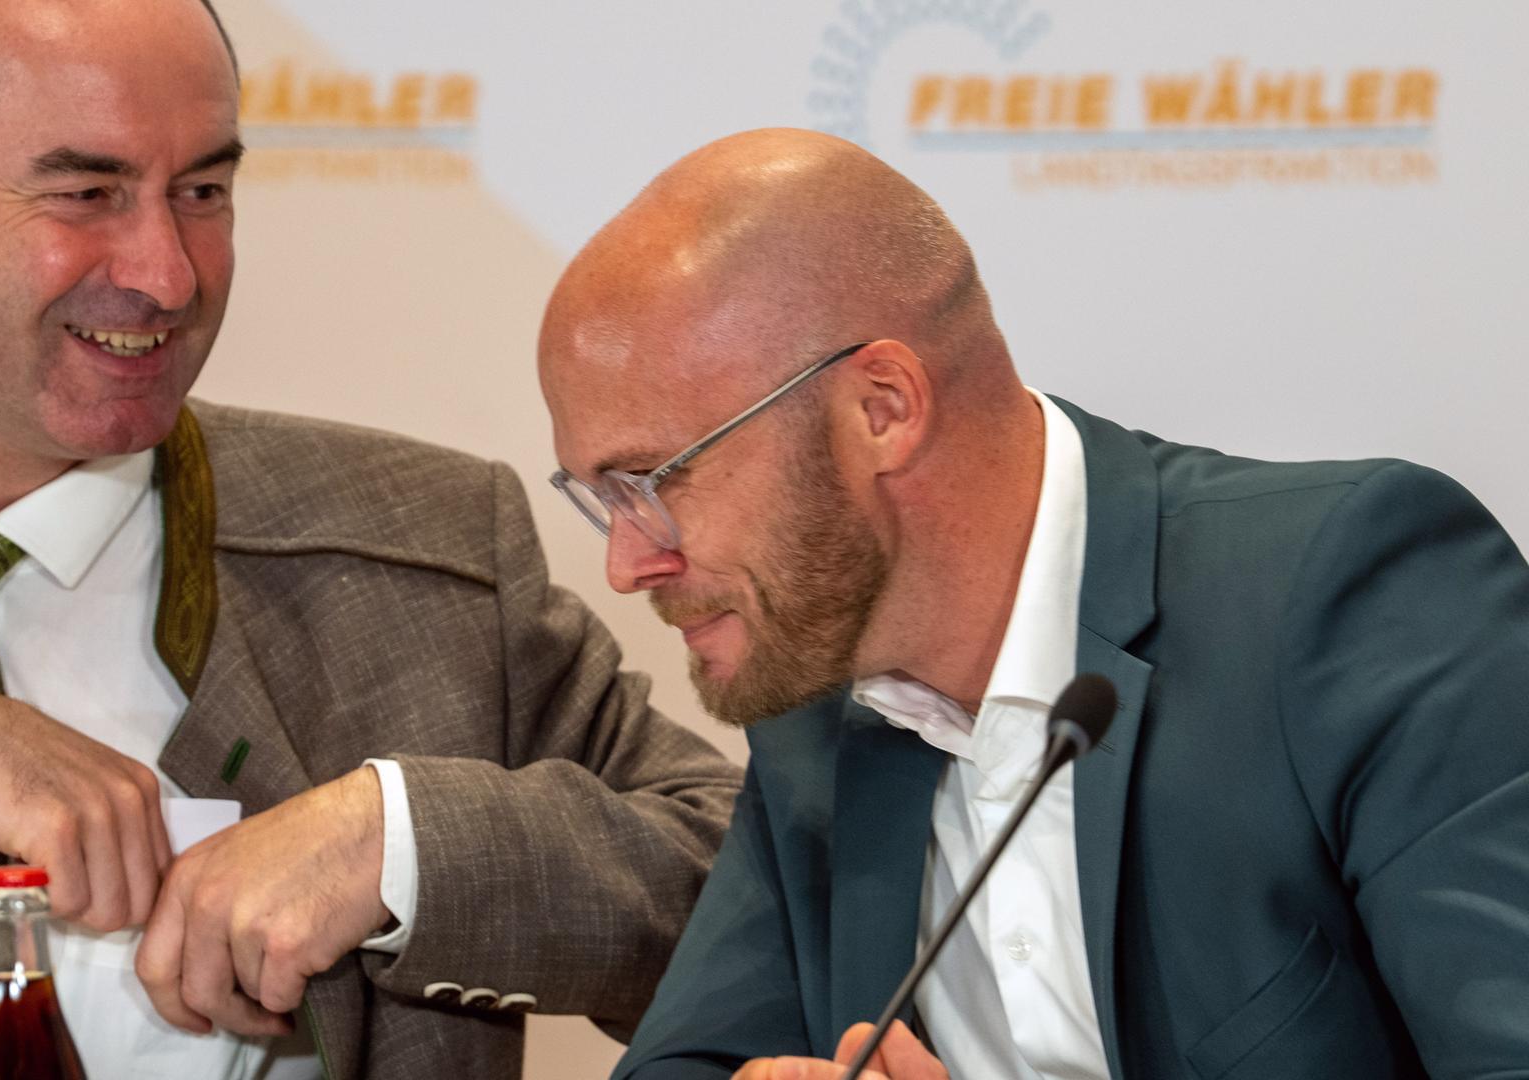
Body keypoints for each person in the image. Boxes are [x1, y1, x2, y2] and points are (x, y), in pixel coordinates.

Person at [0, 1, 741, 1077]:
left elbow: (754, 885)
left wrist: (395, 845)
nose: (167, 272)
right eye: (88, 192)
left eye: (202, 189)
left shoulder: (427, 561)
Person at [536, 127, 1529, 1079]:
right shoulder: (812, 697)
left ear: (880, 408)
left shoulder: (1345, 592)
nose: (627, 564)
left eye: (652, 482)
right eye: (600, 501)